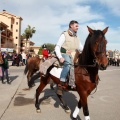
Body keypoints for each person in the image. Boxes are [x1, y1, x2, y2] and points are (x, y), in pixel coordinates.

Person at [55, 20, 83, 94]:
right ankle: (60, 85)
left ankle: (75, 82)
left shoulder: (77, 37)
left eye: (78, 26)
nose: (78, 27)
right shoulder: (64, 34)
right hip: (65, 53)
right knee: (68, 64)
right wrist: (60, 57)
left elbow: (81, 48)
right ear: (71, 26)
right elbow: (57, 47)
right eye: (76, 26)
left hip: (74, 54)